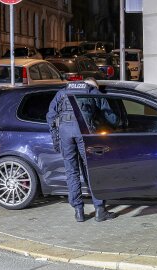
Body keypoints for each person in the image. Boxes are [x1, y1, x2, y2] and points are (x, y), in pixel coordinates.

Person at [46, 78, 117, 222]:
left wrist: (56, 140)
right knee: (91, 170)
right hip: (84, 133)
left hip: (65, 133)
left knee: (71, 172)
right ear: (92, 84)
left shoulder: (62, 92)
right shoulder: (92, 92)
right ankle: (100, 210)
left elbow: (50, 117)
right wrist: (116, 126)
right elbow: (110, 117)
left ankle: (78, 211)